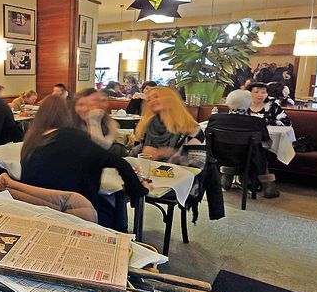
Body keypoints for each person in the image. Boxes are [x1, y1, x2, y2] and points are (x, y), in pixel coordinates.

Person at [20, 95, 149, 231]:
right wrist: (137, 190)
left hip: (38, 214)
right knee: (115, 204)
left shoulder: (30, 143)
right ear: (66, 115)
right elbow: (119, 163)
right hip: (76, 215)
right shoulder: (77, 138)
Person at [135, 87, 225, 221]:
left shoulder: (192, 128)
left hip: (182, 181)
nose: (152, 101)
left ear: (171, 99)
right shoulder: (148, 126)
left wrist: (168, 153)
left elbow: (197, 164)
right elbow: (134, 152)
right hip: (150, 178)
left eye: (156, 96)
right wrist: (141, 152)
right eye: (148, 99)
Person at [206, 90, 279, 198]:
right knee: (260, 151)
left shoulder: (215, 118)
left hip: (220, 158)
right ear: (249, 104)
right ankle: (267, 185)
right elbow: (266, 142)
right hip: (250, 160)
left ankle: (227, 177)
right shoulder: (257, 122)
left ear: (227, 103)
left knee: (230, 149)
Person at [72, 88, 123, 156]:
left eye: (90, 105)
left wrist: (93, 121)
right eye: (80, 104)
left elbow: (102, 148)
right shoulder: (70, 124)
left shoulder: (110, 124)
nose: (85, 109)